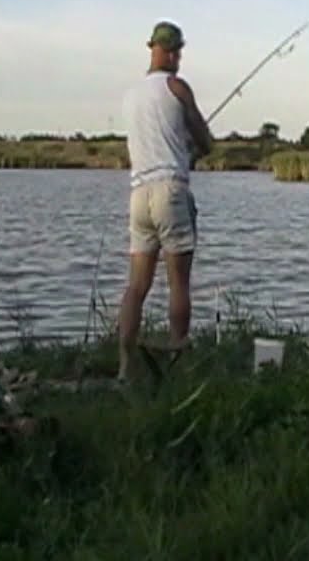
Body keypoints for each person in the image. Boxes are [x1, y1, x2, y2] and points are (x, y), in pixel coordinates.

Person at [115, 19, 213, 381]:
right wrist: (192, 152)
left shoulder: (130, 96)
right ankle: (177, 359)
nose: (179, 59)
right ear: (172, 52)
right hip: (170, 192)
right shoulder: (177, 87)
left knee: (136, 286)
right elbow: (206, 142)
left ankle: (125, 365)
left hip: (138, 196)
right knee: (178, 284)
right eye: (179, 52)